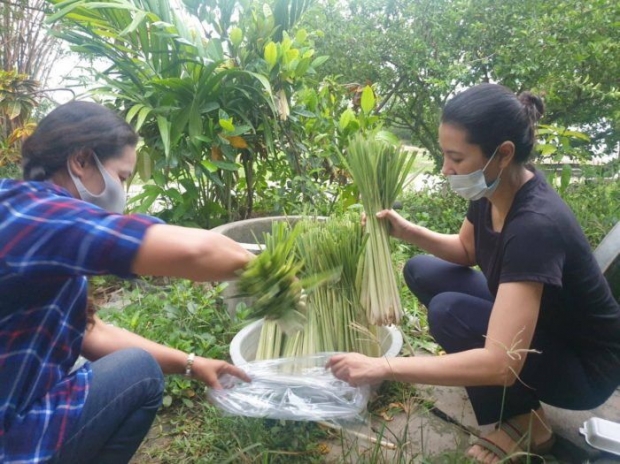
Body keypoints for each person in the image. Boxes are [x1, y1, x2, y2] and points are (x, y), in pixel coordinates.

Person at [327, 83, 620, 463]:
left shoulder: (535, 226)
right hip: (542, 325)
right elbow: (466, 250)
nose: (446, 169)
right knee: (422, 270)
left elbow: (502, 363)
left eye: (456, 158)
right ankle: (518, 406)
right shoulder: (494, 189)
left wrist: (381, 366)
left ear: (503, 154)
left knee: (449, 312)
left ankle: (524, 422)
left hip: (585, 369)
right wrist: (407, 231)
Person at [0, 100, 254, 464]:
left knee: (86, 364)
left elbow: (89, 332)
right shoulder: (35, 215)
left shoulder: (26, 213)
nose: (123, 191)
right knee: (139, 373)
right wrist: (272, 270)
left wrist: (193, 363)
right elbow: (198, 253)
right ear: (81, 161)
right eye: (122, 177)